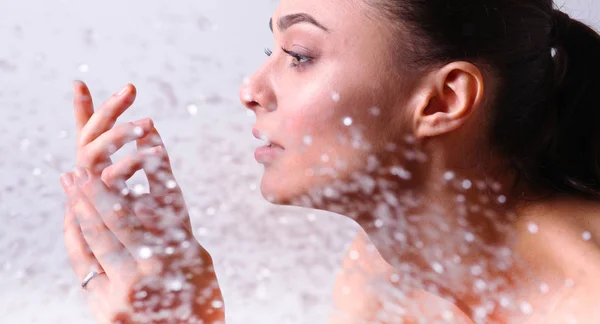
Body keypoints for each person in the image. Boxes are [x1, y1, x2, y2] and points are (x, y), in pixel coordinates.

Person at [59, 0, 600, 322]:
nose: (250, 89)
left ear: (441, 101)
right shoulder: (383, 278)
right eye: (269, 52)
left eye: (299, 55)